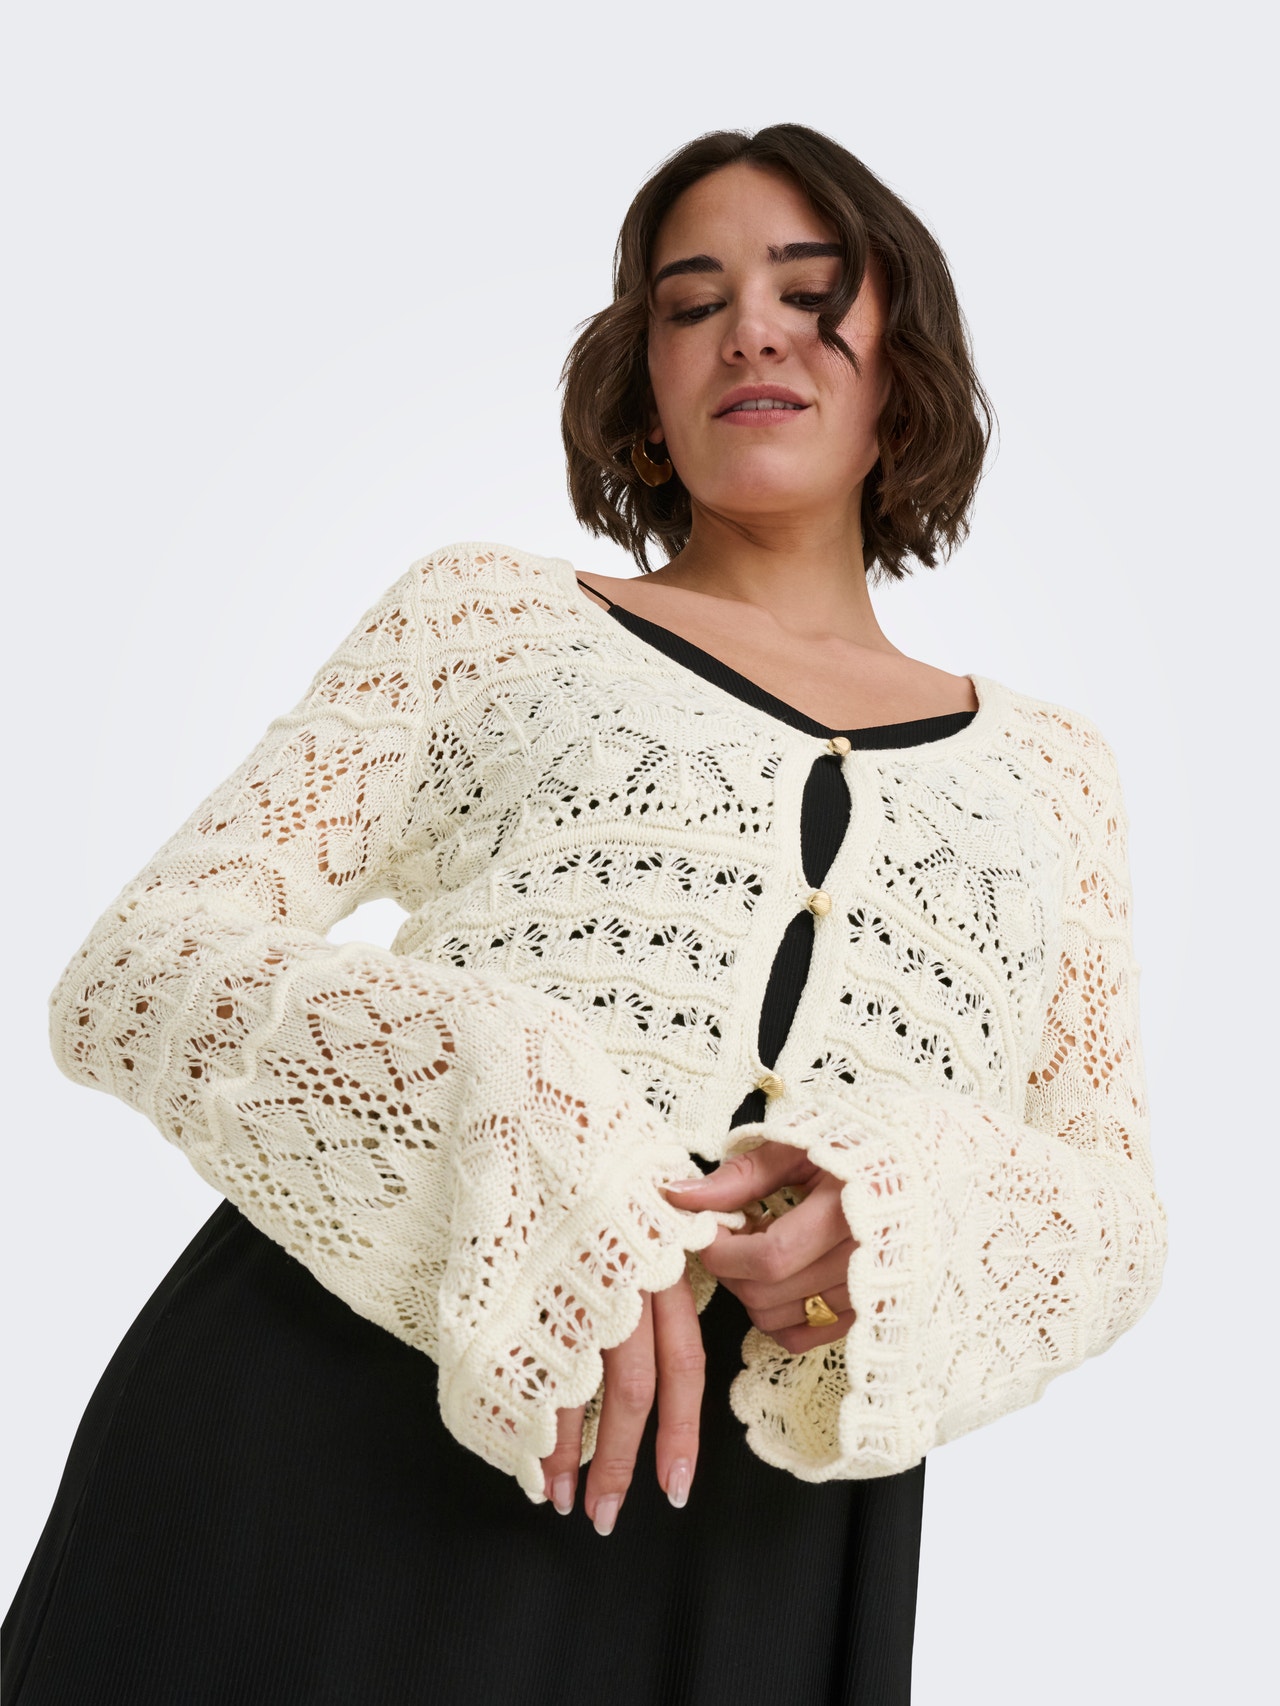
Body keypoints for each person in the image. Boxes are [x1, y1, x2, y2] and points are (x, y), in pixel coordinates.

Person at [3, 123, 1169, 1705]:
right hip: (338, 1425)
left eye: (809, 291)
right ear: (645, 387)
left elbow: (1111, 1212)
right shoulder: (486, 622)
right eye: (693, 304)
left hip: (749, 1536)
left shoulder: (1052, 775)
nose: (750, 331)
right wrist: (527, 1104)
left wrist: (894, 1207)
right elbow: (140, 971)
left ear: (906, 367)